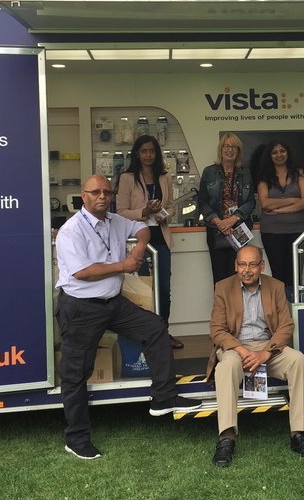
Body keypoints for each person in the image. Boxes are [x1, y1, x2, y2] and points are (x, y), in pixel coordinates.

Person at [54, 174, 201, 460]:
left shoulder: (114, 220)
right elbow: (81, 272)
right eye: (95, 192)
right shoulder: (72, 230)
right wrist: (124, 264)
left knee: (156, 328)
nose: (102, 197)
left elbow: (141, 227)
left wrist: (138, 246)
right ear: (83, 196)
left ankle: (163, 397)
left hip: (112, 303)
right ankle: (77, 438)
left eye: (107, 193)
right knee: (76, 374)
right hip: (82, 308)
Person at [205, 245, 304, 467]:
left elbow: (286, 325)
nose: (247, 270)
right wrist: (243, 351)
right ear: (236, 265)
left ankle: (299, 434)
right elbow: (217, 330)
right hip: (236, 348)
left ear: (262, 266)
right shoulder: (223, 287)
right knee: (226, 368)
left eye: (252, 265)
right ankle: (227, 438)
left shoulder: (275, 286)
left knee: (299, 362)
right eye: (242, 264)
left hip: (268, 347)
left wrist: (265, 353)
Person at [115, 135, 182, 349]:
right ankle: (143, 336)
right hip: (137, 240)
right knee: (141, 289)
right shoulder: (127, 177)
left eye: (151, 151)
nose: (148, 155)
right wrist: (143, 211)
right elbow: (120, 212)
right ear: (137, 153)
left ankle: (163, 333)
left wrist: (166, 215)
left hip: (161, 238)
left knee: (163, 288)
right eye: (143, 151)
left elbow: (171, 205)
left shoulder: (164, 176)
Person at [197, 132, 256, 283]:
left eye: (234, 147)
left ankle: (237, 308)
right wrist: (219, 222)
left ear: (238, 151)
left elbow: (250, 202)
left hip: (239, 229)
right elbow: (203, 201)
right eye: (227, 146)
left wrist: (232, 220)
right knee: (219, 278)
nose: (230, 150)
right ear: (221, 149)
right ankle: (221, 308)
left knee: (240, 276)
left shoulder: (246, 172)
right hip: (216, 230)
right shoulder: (209, 172)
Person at [256, 140, 304, 300]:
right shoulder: (264, 175)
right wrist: (294, 199)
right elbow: (265, 203)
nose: (279, 155)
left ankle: (295, 312)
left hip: (298, 231)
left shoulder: (300, 173)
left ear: (288, 153)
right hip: (272, 231)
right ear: (269, 156)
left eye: (282, 151)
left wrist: (280, 209)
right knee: (278, 275)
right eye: (274, 152)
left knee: (295, 275)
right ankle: (280, 314)